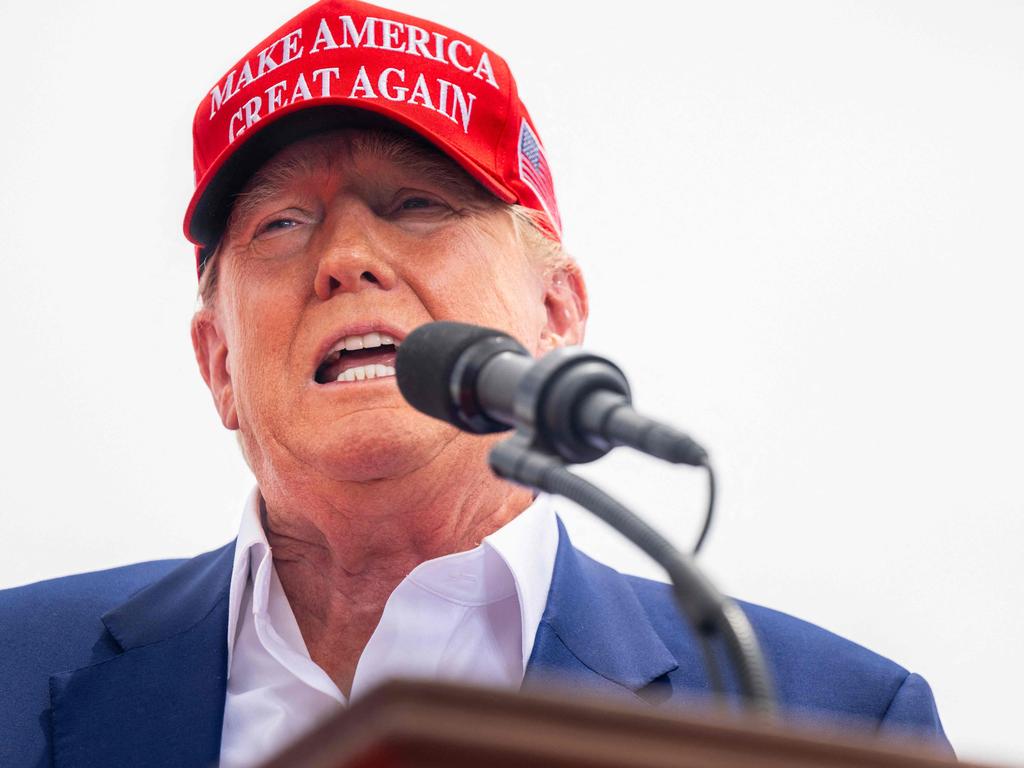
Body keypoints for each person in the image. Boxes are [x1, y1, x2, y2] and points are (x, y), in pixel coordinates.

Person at [0, 1, 950, 765]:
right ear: (219, 367)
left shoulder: (830, 722)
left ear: (556, 317)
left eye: (417, 203)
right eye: (282, 224)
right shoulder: (15, 671)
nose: (345, 258)